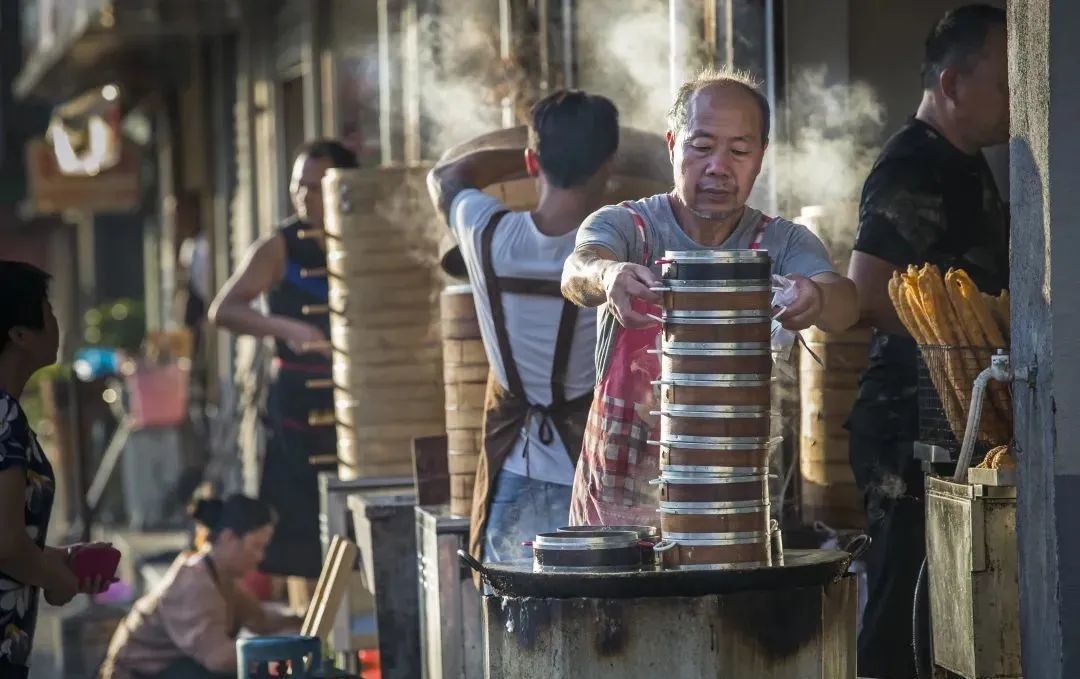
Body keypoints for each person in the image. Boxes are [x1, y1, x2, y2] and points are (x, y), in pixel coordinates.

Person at [562, 68, 858, 527]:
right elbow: (577, 269)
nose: (719, 166)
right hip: (616, 503)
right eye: (701, 147)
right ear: (672, 144)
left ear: (760, 156)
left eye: (739, 150)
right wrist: (607, 273)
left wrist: (814, 297)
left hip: (731, 496)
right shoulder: (628, 227)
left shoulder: (781, 243)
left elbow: (845, 303)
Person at [844, 6, 1008, 678]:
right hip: (908, 426)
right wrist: (957, 337)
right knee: (903, 616)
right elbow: (868, 292)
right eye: (1004, 85)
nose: (1014, 101)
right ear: (951, 84)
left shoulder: (970, 162)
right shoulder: (912, 166)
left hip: (957, 423)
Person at [426, 91, 620, 565]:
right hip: (590, 482)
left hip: (511, 477)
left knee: (512, 631)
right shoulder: (622, 249)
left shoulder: (486, 233)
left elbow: (445, 177)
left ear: (533, 162)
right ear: (607, 167)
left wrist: (529, 147)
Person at [208, 140, 358, 586]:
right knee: (300, 532)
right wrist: (288, 329)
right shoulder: (280, 246)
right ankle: (310, 626)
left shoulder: (363, 236)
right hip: (297, 407)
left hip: (357, 403)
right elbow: (224, 310)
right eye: (299, 187)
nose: (305, 197)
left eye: (316, 188)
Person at [0, 261, 112, 678]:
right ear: (20, 334)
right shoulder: (4, 414)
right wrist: (54, 578)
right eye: (48, 312)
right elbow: (6, 543)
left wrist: (61, 559)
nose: (56, 323)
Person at [99, 495, 299, 679]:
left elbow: (259, 620)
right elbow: (218, 658)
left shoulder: (222, 578)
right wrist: (286, 655)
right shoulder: (194, 583)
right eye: (256, 546)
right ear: (229, 538)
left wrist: (303, 619)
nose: (260, 557)